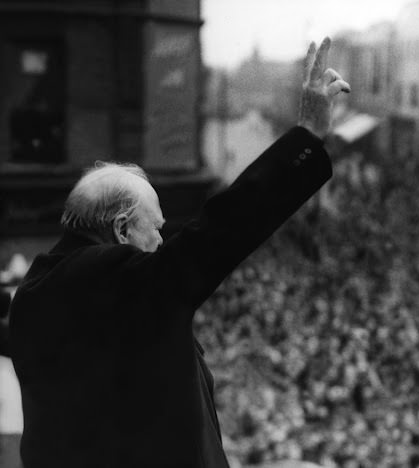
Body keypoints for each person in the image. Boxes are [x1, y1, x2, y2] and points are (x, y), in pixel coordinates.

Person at [9, 38, 350, 468]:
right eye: (155, 227)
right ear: (121, 228)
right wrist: (307, 137)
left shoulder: (33, 295)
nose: (161, 242)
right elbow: (219, 231)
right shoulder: (113, 278)